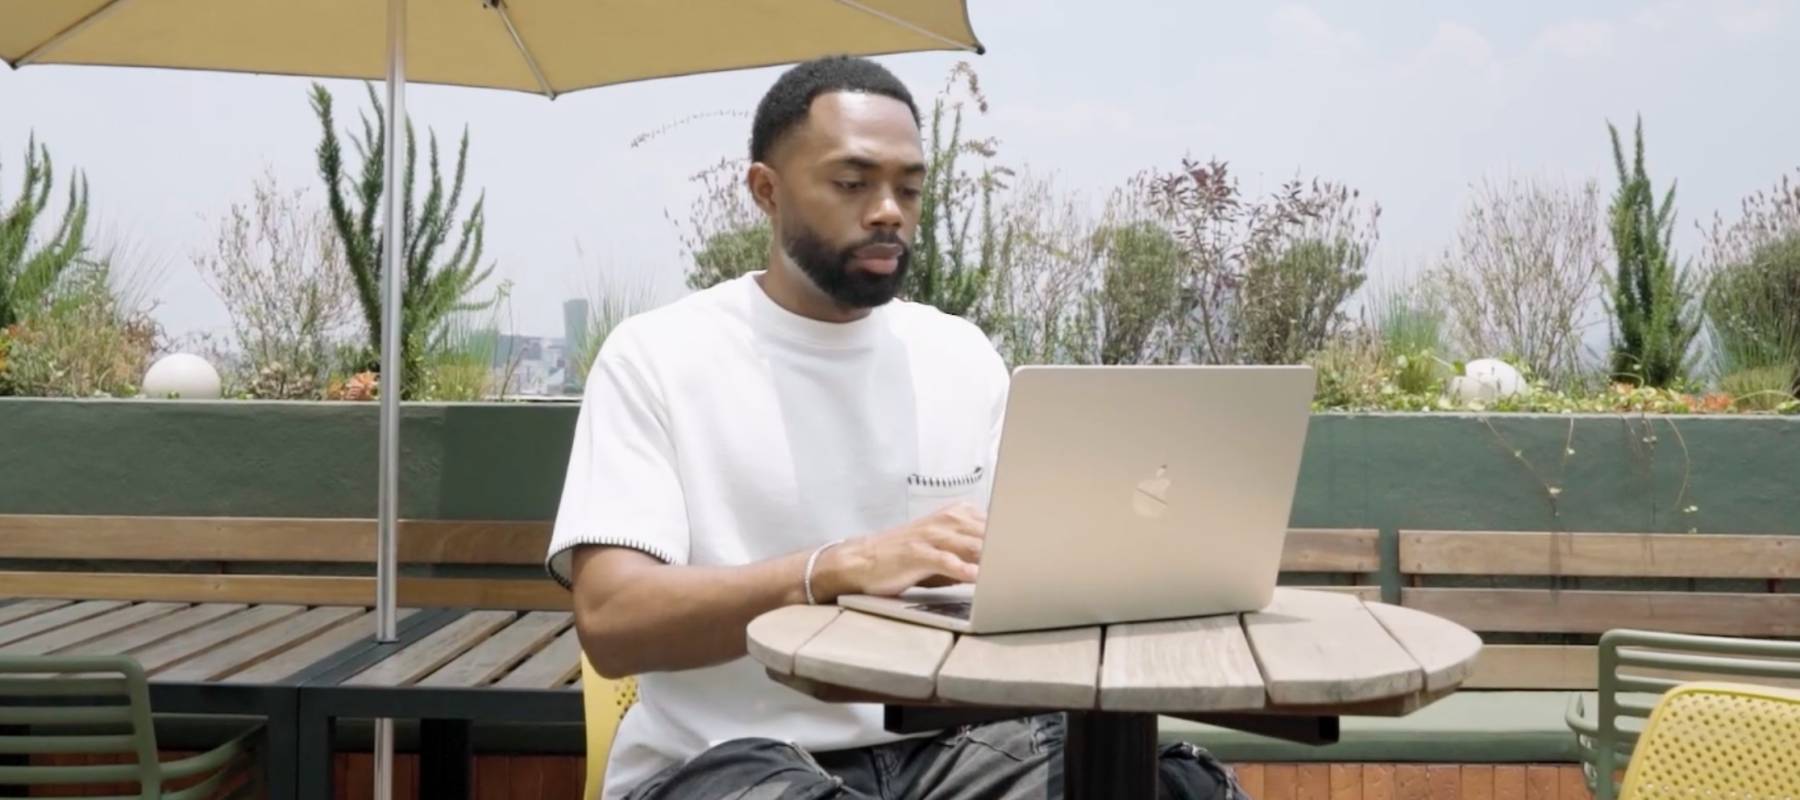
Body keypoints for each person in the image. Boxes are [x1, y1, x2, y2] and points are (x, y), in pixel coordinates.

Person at [546, 55, 1250, 800]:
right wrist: (831, 570)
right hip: (727, 761)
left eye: (908, 188)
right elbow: (612, 619)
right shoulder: (658, 356)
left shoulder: (961, 354)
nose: (888, 210)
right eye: (853, 183)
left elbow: (1034, 572)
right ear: (765, 190)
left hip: (948, 750)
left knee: (1173, 787)